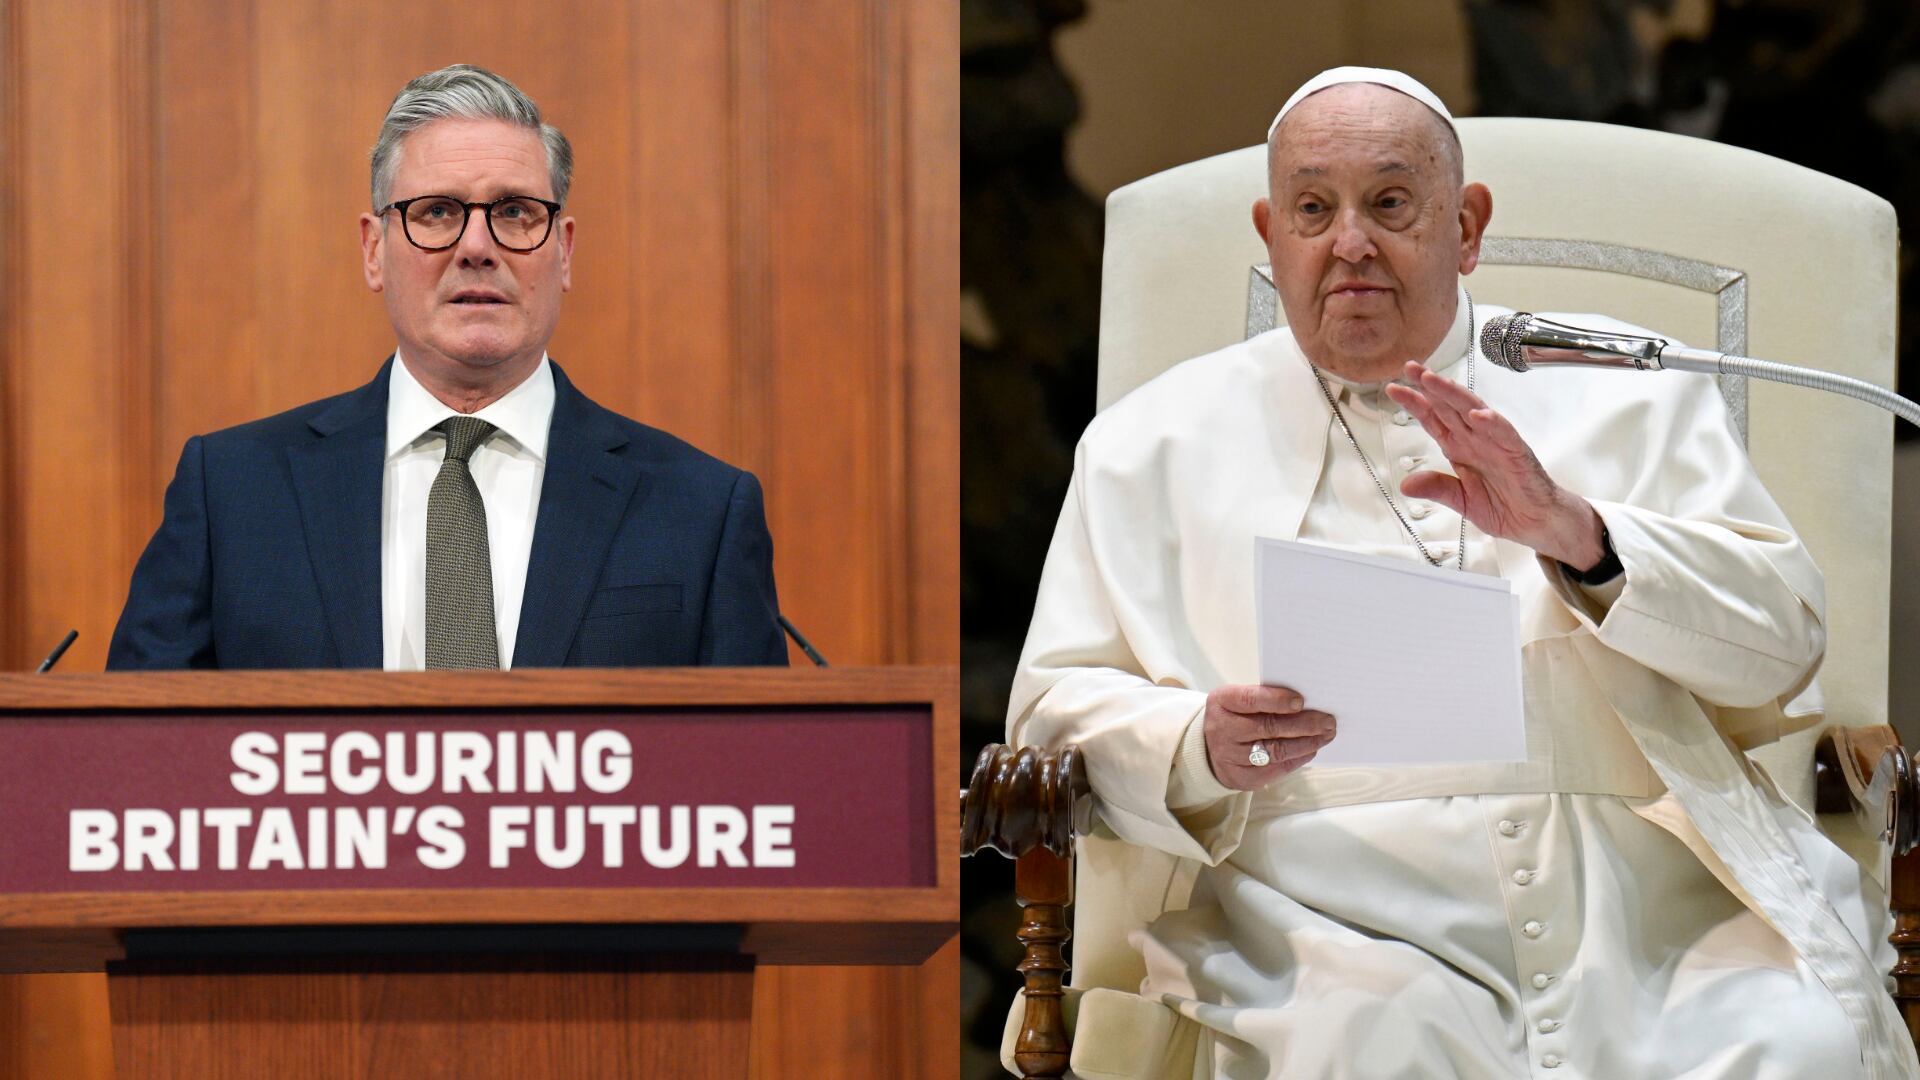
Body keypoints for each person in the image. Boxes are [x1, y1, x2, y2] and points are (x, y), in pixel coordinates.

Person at [1008, 67, 1916, 1078]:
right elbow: (1051, 716)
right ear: (1271, 237)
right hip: (1321, 930)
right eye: (1313, 209)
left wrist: (1586, 540)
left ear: (1467, 224)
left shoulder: (1626, 391)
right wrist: (1193, 745)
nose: (1350, 242)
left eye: (1391, 203)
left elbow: (1784, 642)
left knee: (1799, 1044)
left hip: (1651, 913)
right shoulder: (1147, 445)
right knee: (1363, 1044)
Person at [107, 65, 786, 671]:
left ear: (565, 251)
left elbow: (756, 776)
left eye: (516, 212)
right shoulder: (232, 493)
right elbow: (135, 762)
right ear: (374, 250)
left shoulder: (701, 510)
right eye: (437, 212)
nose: (477, 246)